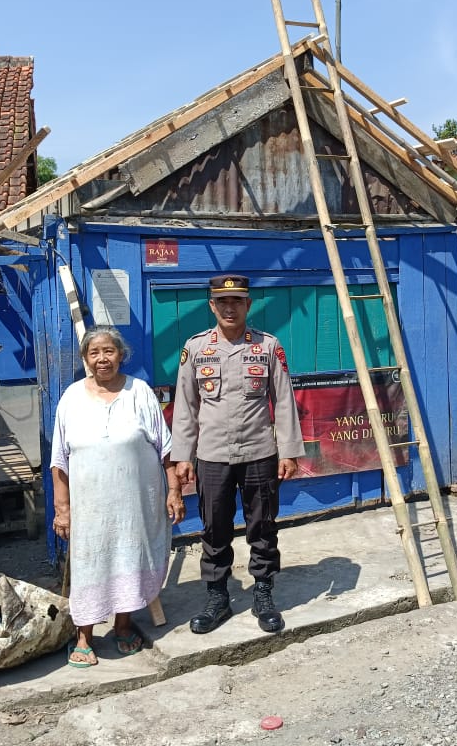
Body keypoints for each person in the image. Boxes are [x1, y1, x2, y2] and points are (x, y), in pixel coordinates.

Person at [171, 275, 305, 635]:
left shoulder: (267, 346)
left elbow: (284, 401)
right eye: (222, 302)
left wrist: (289, 451)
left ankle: (263, 593)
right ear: (212, 306)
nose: (230, 308)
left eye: (237, 301)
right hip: (212, 455)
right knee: (214, 527)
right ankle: (217, 598)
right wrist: (182, 455)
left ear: (248, 305)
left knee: (262, 526)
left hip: (259, 452)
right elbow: (185, 406)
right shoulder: (196, 348)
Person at [51, 326, 185, 668]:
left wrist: (174, 490)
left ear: (120, 355)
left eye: (108, 351)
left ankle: (124, 626)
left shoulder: (139, 393)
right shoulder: (71, 398)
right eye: (94, 353)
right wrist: (62, 510)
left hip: (134, 506)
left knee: (129, 561)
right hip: (90, 508)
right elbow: (59, 462)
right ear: (85, 359)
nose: (102, 359)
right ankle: (85, 636)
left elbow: (165, 450)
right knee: (89, 565)